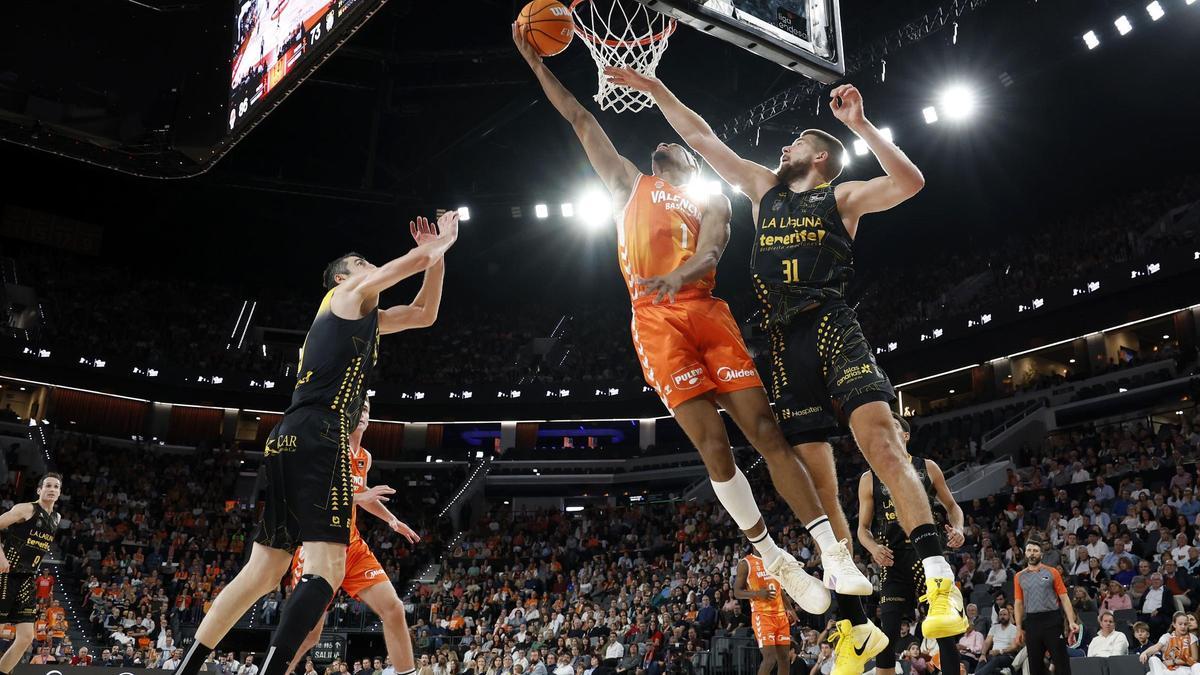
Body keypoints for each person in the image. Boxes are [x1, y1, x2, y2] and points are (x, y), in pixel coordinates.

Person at [603, 63, 964, 673]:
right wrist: (657, 89)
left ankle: (936, 575)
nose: (784, 147)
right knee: (817, 479)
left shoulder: (840, 198)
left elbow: (910, 181)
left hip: (832, 325)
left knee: (880, 442)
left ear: (820, 158)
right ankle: (852, 626)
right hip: (781, 344)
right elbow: (703, 138)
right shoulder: (762, 188)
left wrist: (862, 124)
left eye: (796, 142)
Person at [511, 20, 870, 616]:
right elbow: (580, 119)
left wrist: (682, 274)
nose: (663, 145)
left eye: (672, 145)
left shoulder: (713, 198)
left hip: (705, 311)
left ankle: (830, 549)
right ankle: (774, 555)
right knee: (713, 446)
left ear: (687, 161)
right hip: (654, 320)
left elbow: (712, 250)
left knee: (766, 431)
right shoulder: (629, 183)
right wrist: (537, 65)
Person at [174, 211, 460, 675]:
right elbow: (406, 265)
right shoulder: (344, 294)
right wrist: (442, 242)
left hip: (290, 435)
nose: (372, 267)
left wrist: (436, 260)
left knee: (262, 572)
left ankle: (186, 668)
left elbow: (425, 314)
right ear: (346, 276)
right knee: (325, 571)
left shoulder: (364, 319)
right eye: (364, 262)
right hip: (320, 433)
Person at [283, 400, 421, 675]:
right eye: (355, 410)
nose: (361, 415)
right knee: (310, 634)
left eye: (366, 410)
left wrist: (391, 520)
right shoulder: (330, 449)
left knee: (393, 608)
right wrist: (360, 497)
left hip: (352, 546)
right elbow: (316, 497)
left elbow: (363, 495)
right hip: (319, 547)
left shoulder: (364, 457)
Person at [857, 413, 965, 675]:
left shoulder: (927, 466)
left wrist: (959, 529)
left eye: (893, 426)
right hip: (892, 560)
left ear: (905, 435)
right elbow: (862, 529)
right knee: (888, 632)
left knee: (943, 630)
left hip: (925, 556)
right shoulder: (869, 477)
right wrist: (873, 548)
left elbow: (952, 507)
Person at [0, 472, 63, 675]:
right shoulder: (26, 509)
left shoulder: (56, 518)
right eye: (48, 486)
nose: (52, 489)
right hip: (6, 573)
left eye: (56, 486)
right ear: (39, 490)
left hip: (27, 577)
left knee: (27, 636)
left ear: (60, 492)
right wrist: (1, 556)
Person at [1013, 540, 1079, 675]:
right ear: (1025, 553)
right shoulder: (1019, 576)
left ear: (1041, 554)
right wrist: (1019, 628)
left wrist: (1071, 621)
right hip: (1032, 622)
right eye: (1029, 550)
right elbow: (1018, 603)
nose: (1032, 553)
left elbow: (1064, 598)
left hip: (1052, 620)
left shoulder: (1052, 572)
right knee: (1035, 666)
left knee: (1061, 663)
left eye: (1035, 551)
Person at [735, 549, 797, 675]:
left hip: (780, 615)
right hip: (762, 616)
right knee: (770, 659)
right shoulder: (745, 563)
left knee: (784, 659)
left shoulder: (775, 559)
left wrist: (789, 608)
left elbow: (779, 589)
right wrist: (757, 594)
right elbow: (737, 592)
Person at [973, 608, 1021, 675]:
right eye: (1000, 615)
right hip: (993, 654)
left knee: (996, 659)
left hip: (1008, 655)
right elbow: (987, 642)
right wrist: (983, 654)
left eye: (1004, 614)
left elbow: (1014, 646)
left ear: (1009, 616)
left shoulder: (1014, 629)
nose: (1002, 616)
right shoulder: (994, 628)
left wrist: (1000, 651)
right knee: (982, 660)